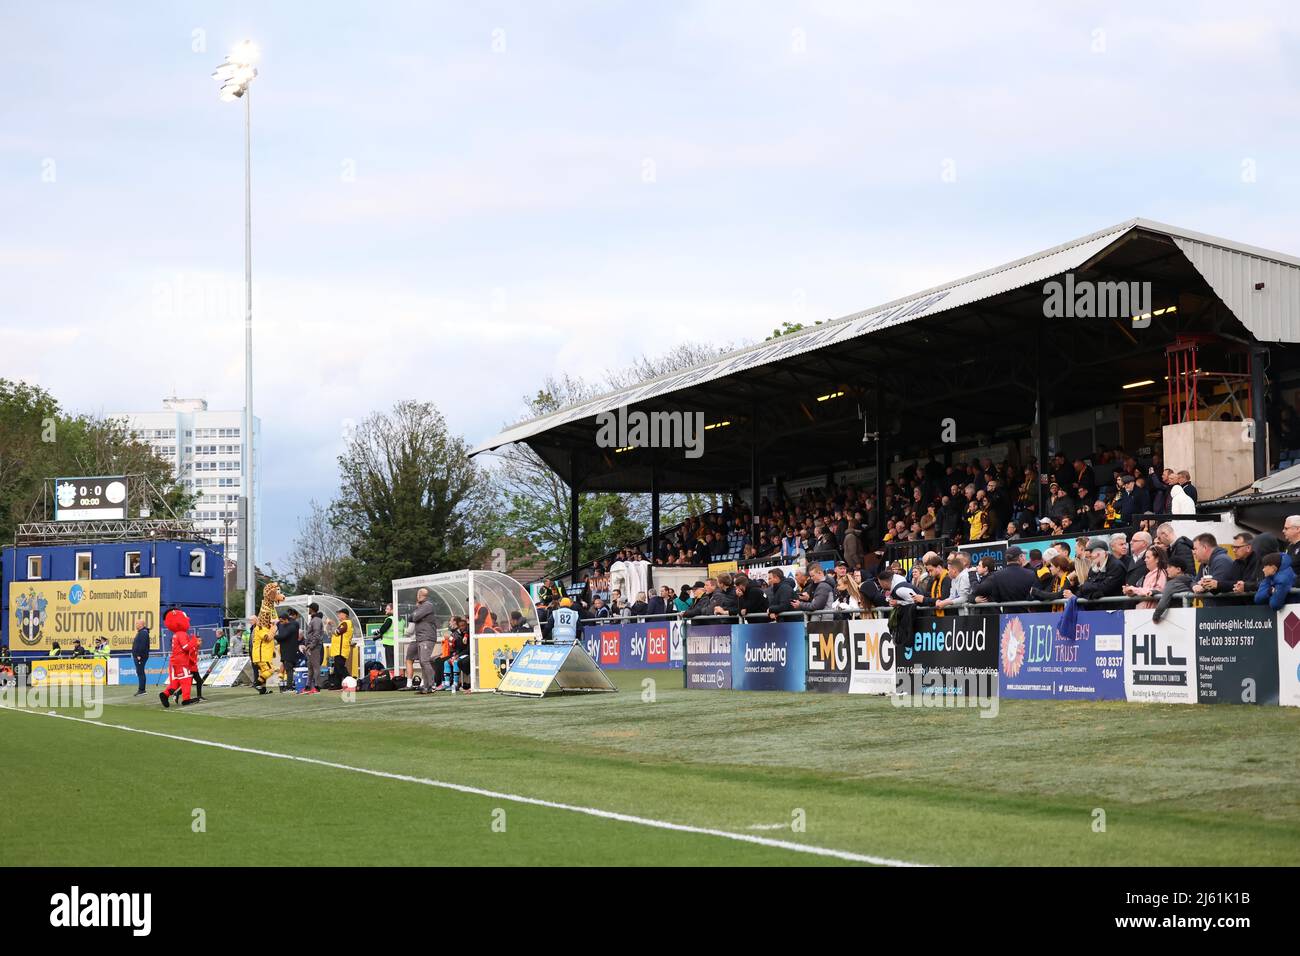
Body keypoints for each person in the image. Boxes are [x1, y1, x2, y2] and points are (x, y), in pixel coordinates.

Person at [408, 588, 439, 695]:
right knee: (422, 662)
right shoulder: (422, 607)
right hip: (421, 638)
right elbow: (411, 617)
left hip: (427, 637)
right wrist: (416, 613)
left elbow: (414, 617)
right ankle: (426, 687)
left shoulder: (427, 605)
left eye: (418, 594)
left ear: (420, 595)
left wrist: (416, 613)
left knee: (425, 661)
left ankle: (431, 685)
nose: (417, 596)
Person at [1122, 544, 1168, 610]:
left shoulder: (1161, 573)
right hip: (1144, 611)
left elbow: (1155, 592)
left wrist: (1133, 589)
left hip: (1152, 611)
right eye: (1145, 557)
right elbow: (1144, 592)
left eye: (1148, 557)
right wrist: (1131, 592)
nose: (1145, 560)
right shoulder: (1149, 574)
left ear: (1157, 559)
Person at [327, 609, 356, 689]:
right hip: (339, 649)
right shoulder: (344, 623)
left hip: (341, 649)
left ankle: (352, 682)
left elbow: (336, 632)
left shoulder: (345, 623)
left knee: (340, 668)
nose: (338, 615)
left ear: (344, 615)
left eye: (340, 614)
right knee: (337, 668)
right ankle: (337, 685)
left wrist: (330, 624)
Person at [301, 603, 325, 695]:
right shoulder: (314, 619)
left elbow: (317, 634)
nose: (308, 610)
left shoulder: (316, 620)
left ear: (312, 609)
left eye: (309, 608)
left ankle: (317, 687)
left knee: (315, 667)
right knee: (310, 668)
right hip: (311, 647)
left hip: (314, 647)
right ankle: (308, 687)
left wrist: (311, 646)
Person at [275, 611, 301, 693]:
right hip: (287, 651)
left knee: (289, 670)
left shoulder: (291, 627)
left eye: (282, 621)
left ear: (286, 620)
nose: (281, 623)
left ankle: (289, 687)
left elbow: (282, 636)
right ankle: (290, 686)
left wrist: (273, 636)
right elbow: (278, 624)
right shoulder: (286, 625)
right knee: (289, 669)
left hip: (289, 652)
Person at [249, 614, 276, 694]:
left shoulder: (263, 628)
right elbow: (267, 638)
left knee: (264, 672)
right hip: (262, 655)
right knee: (271, 670)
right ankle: (257, 683)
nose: (270, 621)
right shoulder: (260, 628)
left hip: (263, 654)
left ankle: (263, 689)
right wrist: (273, 630)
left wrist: (272, 651)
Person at [131, 618, 151, 697]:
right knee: (140, 671)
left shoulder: (143, 633)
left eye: (137, 623)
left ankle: (142, 690)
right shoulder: (141, 632)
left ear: (141, 624)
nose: (136, 625)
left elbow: (142, 645)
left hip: (140, 656)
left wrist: (139, 655)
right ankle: (141, 689)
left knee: (140, 672)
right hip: (139, 656)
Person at [374, 602, 397, 670]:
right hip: (397, 644)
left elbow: (382, 629)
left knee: (390, 664)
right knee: (397, 664)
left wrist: (377, 633)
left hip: (390, 644)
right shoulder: (400, 619)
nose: (385, 610)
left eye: (387, 609)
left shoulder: (390, 619)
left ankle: (391, 678)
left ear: (392, 610)